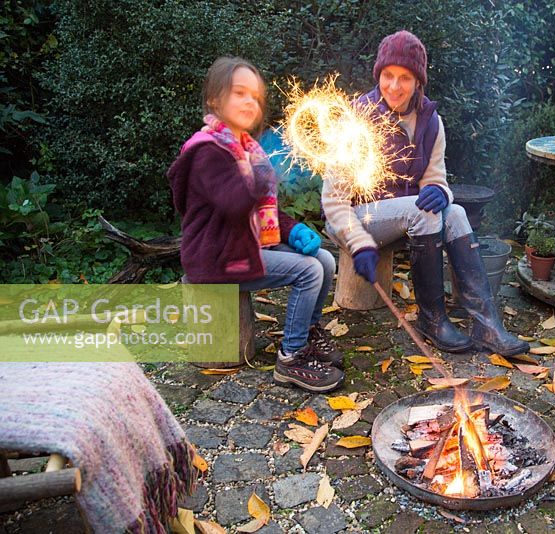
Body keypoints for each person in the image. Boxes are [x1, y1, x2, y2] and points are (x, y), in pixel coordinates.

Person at [322, 31, 528, 357]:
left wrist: (440, 192)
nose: (394, 86)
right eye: (388, 76)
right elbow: (333, 201)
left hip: (408, 219)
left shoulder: (431, 122)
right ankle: (432, 320)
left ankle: (486, 324)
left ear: (419, 80)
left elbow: (435, 179)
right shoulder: (357, 119)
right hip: (352, 221)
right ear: (378, 75)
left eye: (405, 77)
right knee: (422, 211)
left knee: (456, 212)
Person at [168, 56, 345, 392]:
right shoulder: (208, 152)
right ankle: (290, 358)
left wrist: (293, 229)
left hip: (244, 245)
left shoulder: (246, 149)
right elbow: (235, 203)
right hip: (217, 259)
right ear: (214, 100)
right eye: (239, 93)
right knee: (307, 272)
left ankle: (307, 332)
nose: (250, 101)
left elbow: (264, 208)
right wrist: (264, 171)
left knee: (323, 259)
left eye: (256, 96)